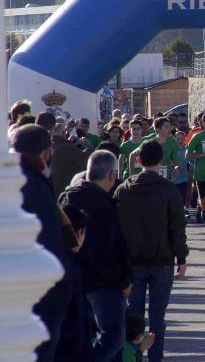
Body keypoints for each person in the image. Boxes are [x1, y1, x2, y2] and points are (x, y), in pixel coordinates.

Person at [115, 140, 188, 362]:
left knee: (133, 316)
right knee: (158, 317)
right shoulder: (168, 189)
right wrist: (181, 257)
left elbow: (115, 228)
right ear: (161, 160)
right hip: (162, 260)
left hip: (133, 261)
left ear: (138, 161)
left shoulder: (124, 189)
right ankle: (155, 358)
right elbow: (177, 227)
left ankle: (133, 356)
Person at [59, 150, 132, 362]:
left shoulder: (67, 196)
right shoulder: (101, 204)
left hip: (75, 276)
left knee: (87, 334)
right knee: (113, 337)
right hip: (102, 281)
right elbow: (104, 250)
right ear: (110, 175)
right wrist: (123, 280)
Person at [13, 124, 74, 362]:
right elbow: (47, 241)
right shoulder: (34, 185)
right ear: (46, 153)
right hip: (39, 294)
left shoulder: (20, 179)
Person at [56, 204, 95, 362]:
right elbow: (77, 318)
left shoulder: (50, 261)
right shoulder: (73, 268)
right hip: (71, 349)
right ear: (80, 232)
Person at [50, 121, 91, 195]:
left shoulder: (46, 147)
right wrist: (87, 146)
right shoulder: (67, 148)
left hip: (49, 191)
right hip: (65, 191)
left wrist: (68, 142)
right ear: (63, 133)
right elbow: (88, 160)